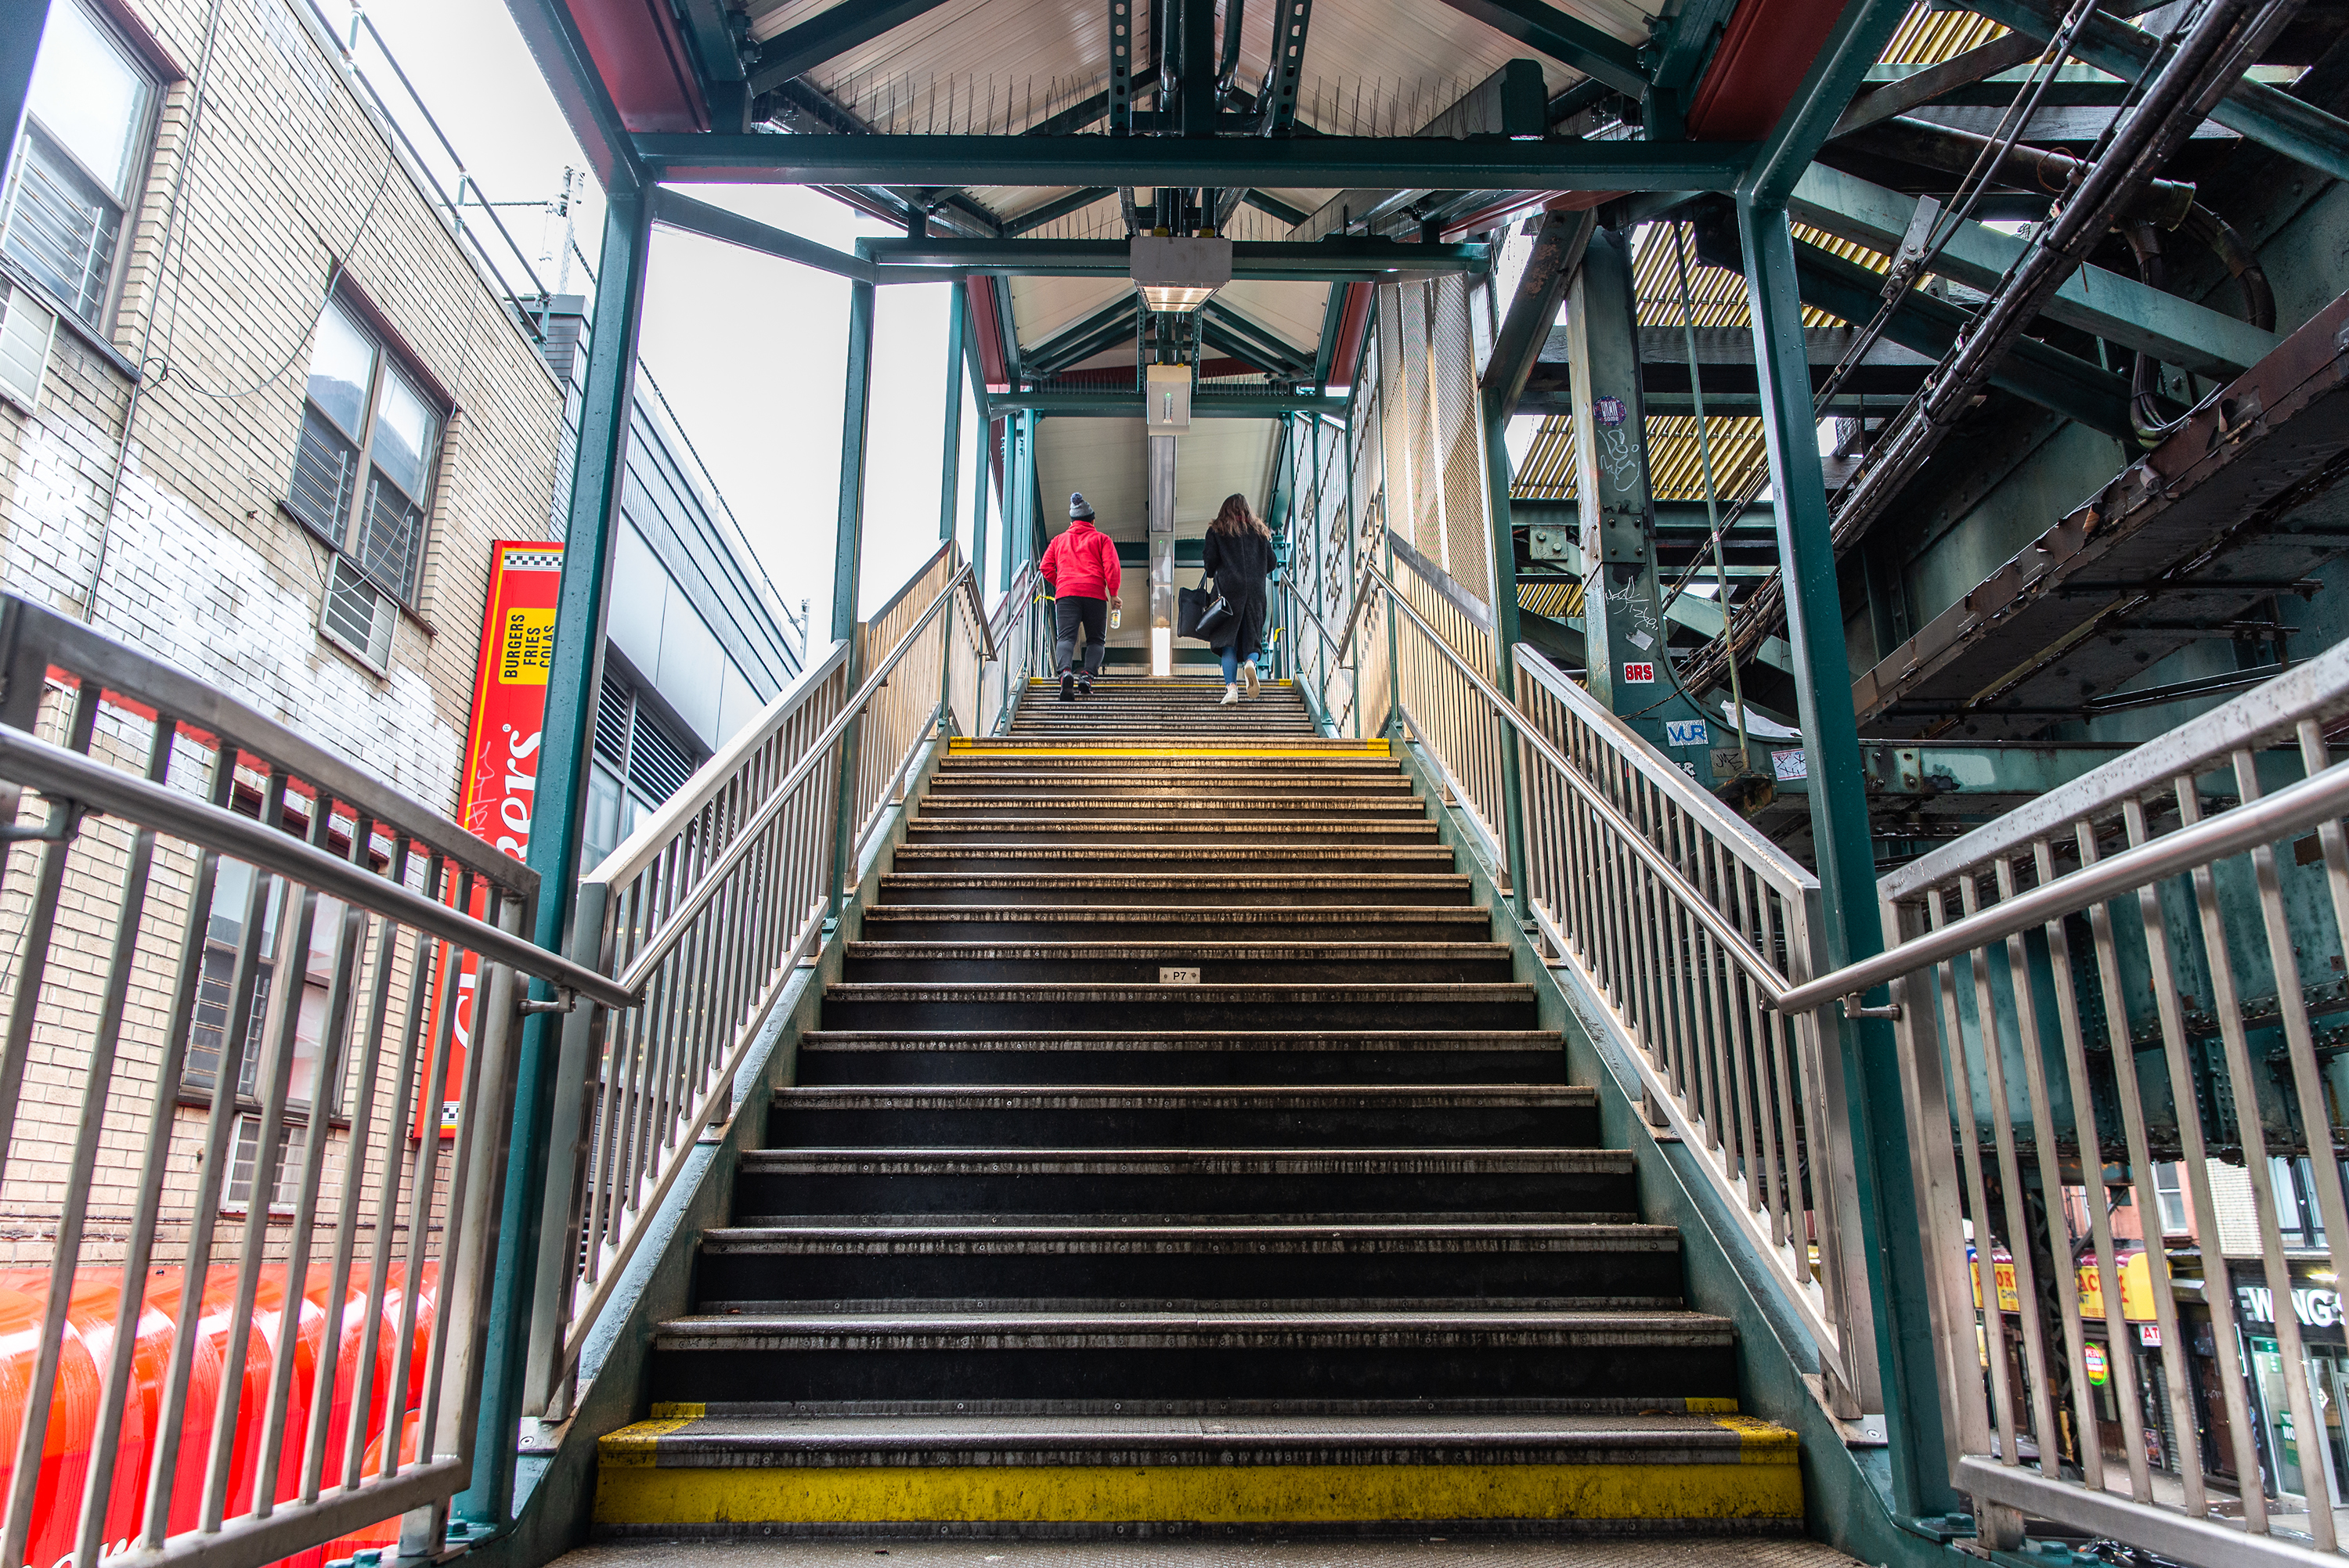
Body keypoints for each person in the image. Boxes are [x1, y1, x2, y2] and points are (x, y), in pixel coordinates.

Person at [1040, 492, 1120, 701]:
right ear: (1092, 520)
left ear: (1072, 522)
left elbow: (1045, 567)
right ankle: (1086, 676)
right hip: (1094, 594)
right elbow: (1111, 567)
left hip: (1066, 594)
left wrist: (1062, 582)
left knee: (1066, 637)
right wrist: (1113, 594)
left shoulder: (1059, 540)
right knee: (1096, 640)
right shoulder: (1101, 539)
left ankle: (1066, 673)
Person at [1200, 493, 1274, 705]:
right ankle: (1251, 662)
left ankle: (1231, 689)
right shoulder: (1260, 533)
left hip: (1227, 594)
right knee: (1253, 638)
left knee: (1228, 643)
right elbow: (1272, 563)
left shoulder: (1217, 531)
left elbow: (1210, 566)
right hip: (1255, 592)